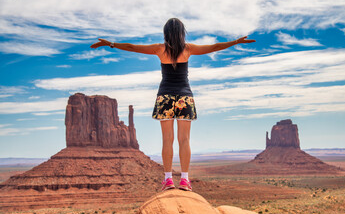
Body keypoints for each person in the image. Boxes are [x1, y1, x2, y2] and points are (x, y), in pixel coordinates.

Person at [90, 18, 255, 192]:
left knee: (167, 139)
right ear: (182, 32)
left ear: (166, 33)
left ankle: (168, 180)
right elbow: (214, 47)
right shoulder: (188, 49)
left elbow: (132, 47)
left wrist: (111, 44)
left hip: (165, 97)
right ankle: (184, 180)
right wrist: (236, 42)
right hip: (184, 97)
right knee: (184, 140)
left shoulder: (160, 49)